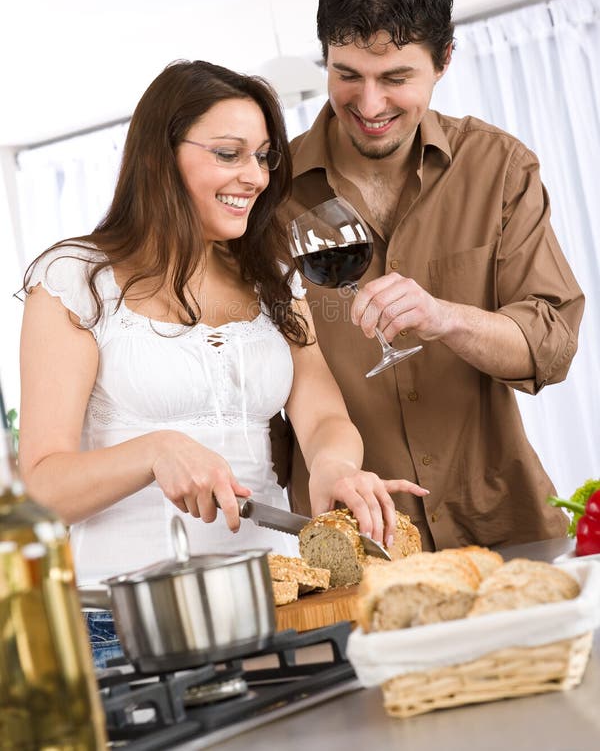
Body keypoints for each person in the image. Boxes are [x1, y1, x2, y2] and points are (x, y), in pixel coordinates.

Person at [18, 60, 427, 666]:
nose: (255, 177)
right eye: (230, 153)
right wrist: (154, 450)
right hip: (127, 630)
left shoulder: (272, 278)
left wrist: (336, 469)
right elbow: (42, 489)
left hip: (277, 603)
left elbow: (320, 415)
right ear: (162, 157)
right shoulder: (76, 279)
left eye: (263, 157)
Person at [272, 0, 584, 552]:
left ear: (443, 60)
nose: (369, 105)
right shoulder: (268, 194)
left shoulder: (497, 168)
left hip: (503, 526)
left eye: (395, 78)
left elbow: (551, 345)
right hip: (359, 548)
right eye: (347, 76)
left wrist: (446, 319)